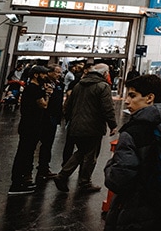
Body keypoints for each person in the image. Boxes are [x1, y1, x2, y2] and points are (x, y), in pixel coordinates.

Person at [105, 74, 161, 231]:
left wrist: (110, 165)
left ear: (150, 98)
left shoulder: (133, 133)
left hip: (138, 214)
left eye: (132, 96)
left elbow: (118, 180)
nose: (127, 101)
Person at [55, 62, 118, 193]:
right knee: (90, 155)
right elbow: (107, 108)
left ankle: (63, 175)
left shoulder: (79, 85)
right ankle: (84, 182)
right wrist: (112, 125)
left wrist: (70, 120)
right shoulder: (103, 86)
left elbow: (68, 105)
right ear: (105, 74)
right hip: (93, 127)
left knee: (81, 151)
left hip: (76, 125)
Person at [9, 65, 54, 195]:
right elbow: (43, 105)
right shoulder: (34, 89)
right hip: (31, 125)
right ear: (36, 75)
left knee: (26, 153)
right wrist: (48, 95)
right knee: (24, 153)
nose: (45, 77)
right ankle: (17, 183)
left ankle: (21, 180)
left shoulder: (32, 88)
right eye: (43, 74)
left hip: (29, 124)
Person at [37, 64, 66, 182]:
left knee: (48, 143)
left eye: (60, 72)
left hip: (54, 116)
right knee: (45, 143)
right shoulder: (44, 85)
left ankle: (44, 166)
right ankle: (42, 168)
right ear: (49, 72)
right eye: (57, 72)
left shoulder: (58, 84)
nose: (59, 74)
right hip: (45, 117)